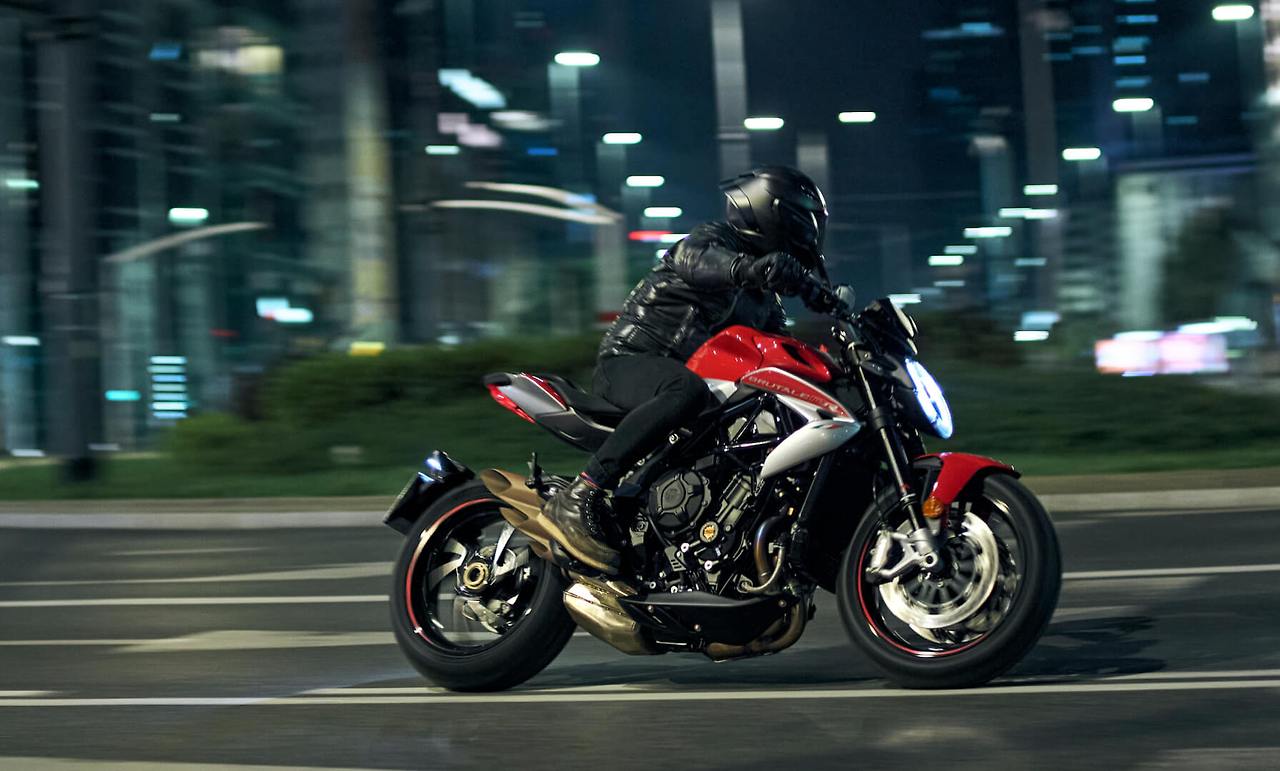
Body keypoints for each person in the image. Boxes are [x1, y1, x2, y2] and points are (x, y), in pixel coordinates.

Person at [542, 166, 833, 573]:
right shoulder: (713, 241)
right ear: (777, 213)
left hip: (682, 383)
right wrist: (749, 269)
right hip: (631, 361)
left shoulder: (763, 301)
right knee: (687, 391)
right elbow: (694, 261)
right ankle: (580, 495)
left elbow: (780, 350)